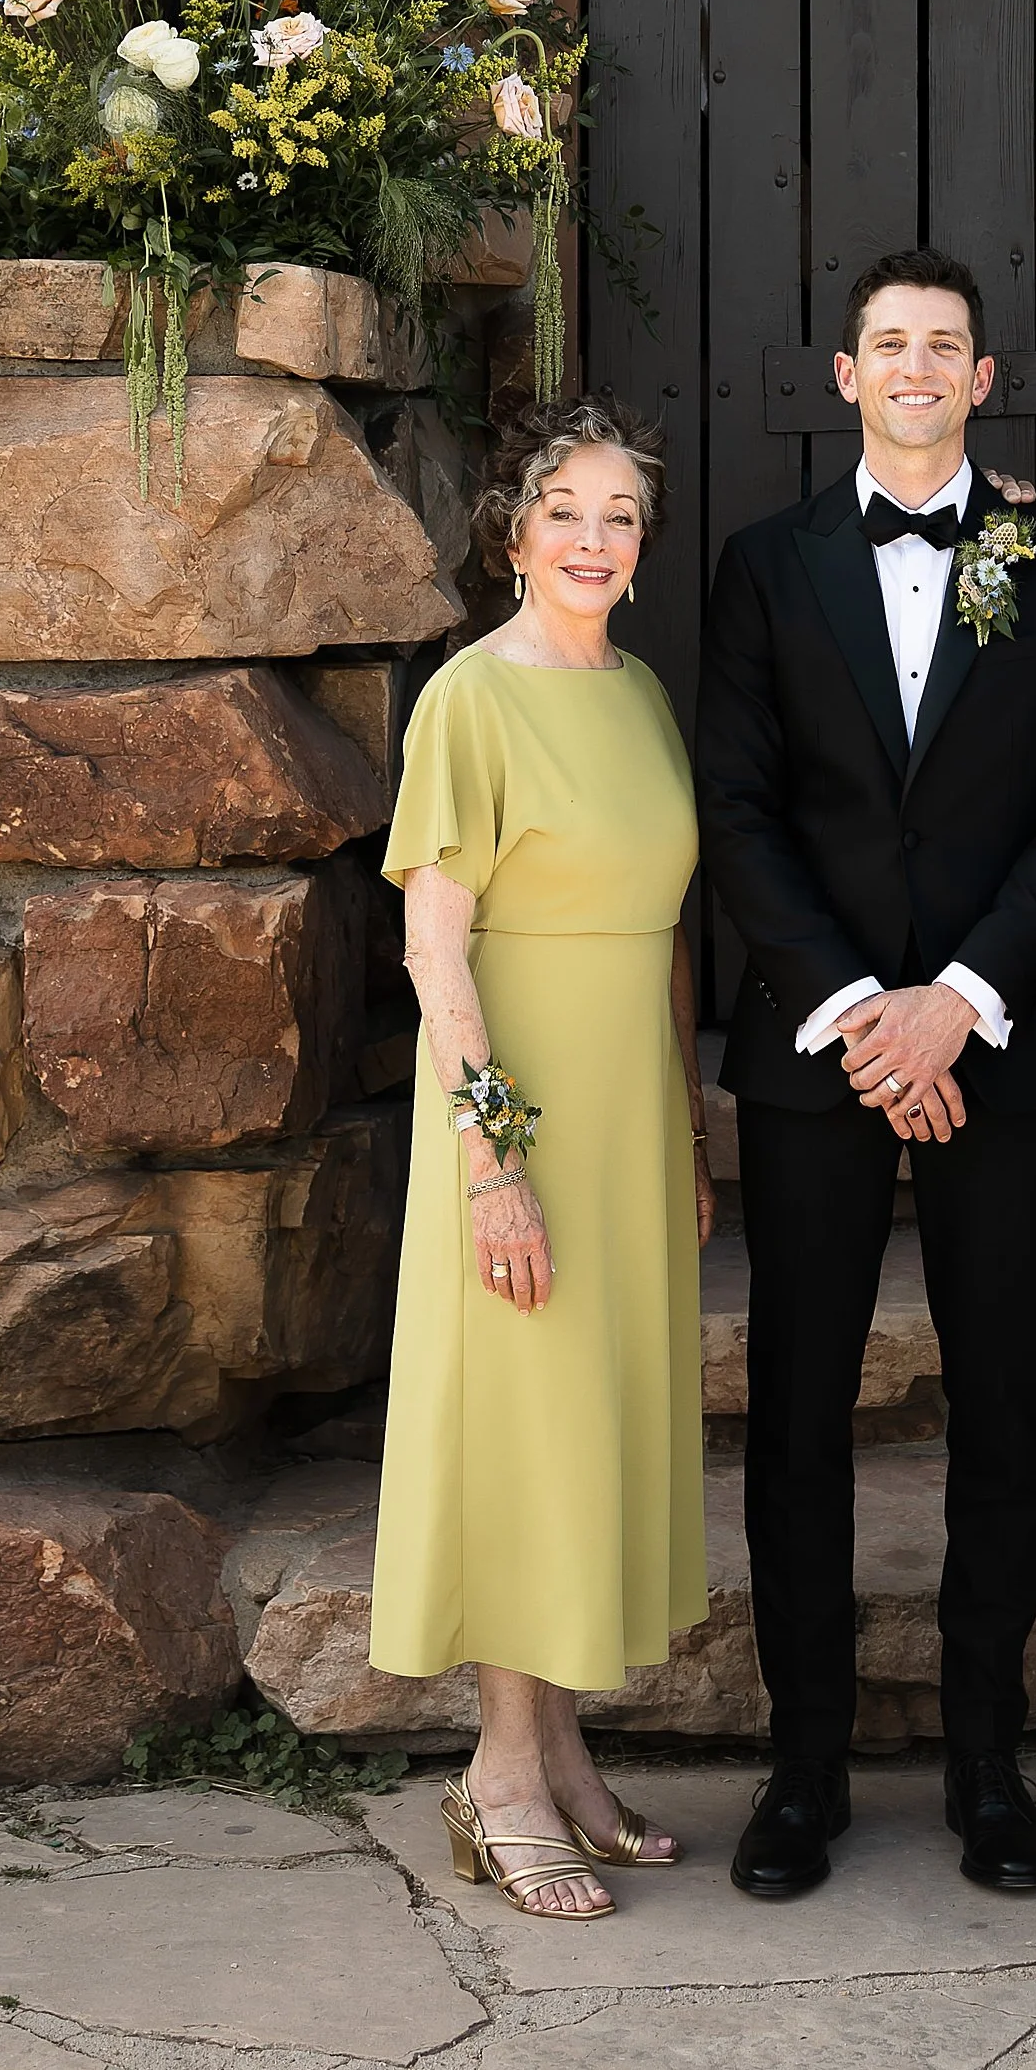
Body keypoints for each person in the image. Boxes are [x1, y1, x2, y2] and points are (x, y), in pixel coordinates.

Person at [694, 248, 1036, 1901]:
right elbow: (738, 809)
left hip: (997, 1051)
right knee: (798, 1410)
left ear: (984, 368)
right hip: (817, 1059)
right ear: (845, 374)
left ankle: (988, 1766)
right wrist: (864, 1015)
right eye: (890, 343)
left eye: (944, 342)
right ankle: (800, 1773)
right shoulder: (764, 564)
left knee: (1001, 1406)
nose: (917, 365)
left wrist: (954, 1000)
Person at [370, 397, 716, 1925]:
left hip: (629, 1115)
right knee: (525, 1433)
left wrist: (689, 1124)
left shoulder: (640, 694)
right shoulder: (469, 699)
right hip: (518, 1123)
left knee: (592, 1428)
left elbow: (664, 939)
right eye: (565, 510)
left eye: (619, 515)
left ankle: (566, 1753)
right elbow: (433, 945)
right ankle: (498, 1776)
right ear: (515, 536)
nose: (594, 537)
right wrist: (492, 1159)